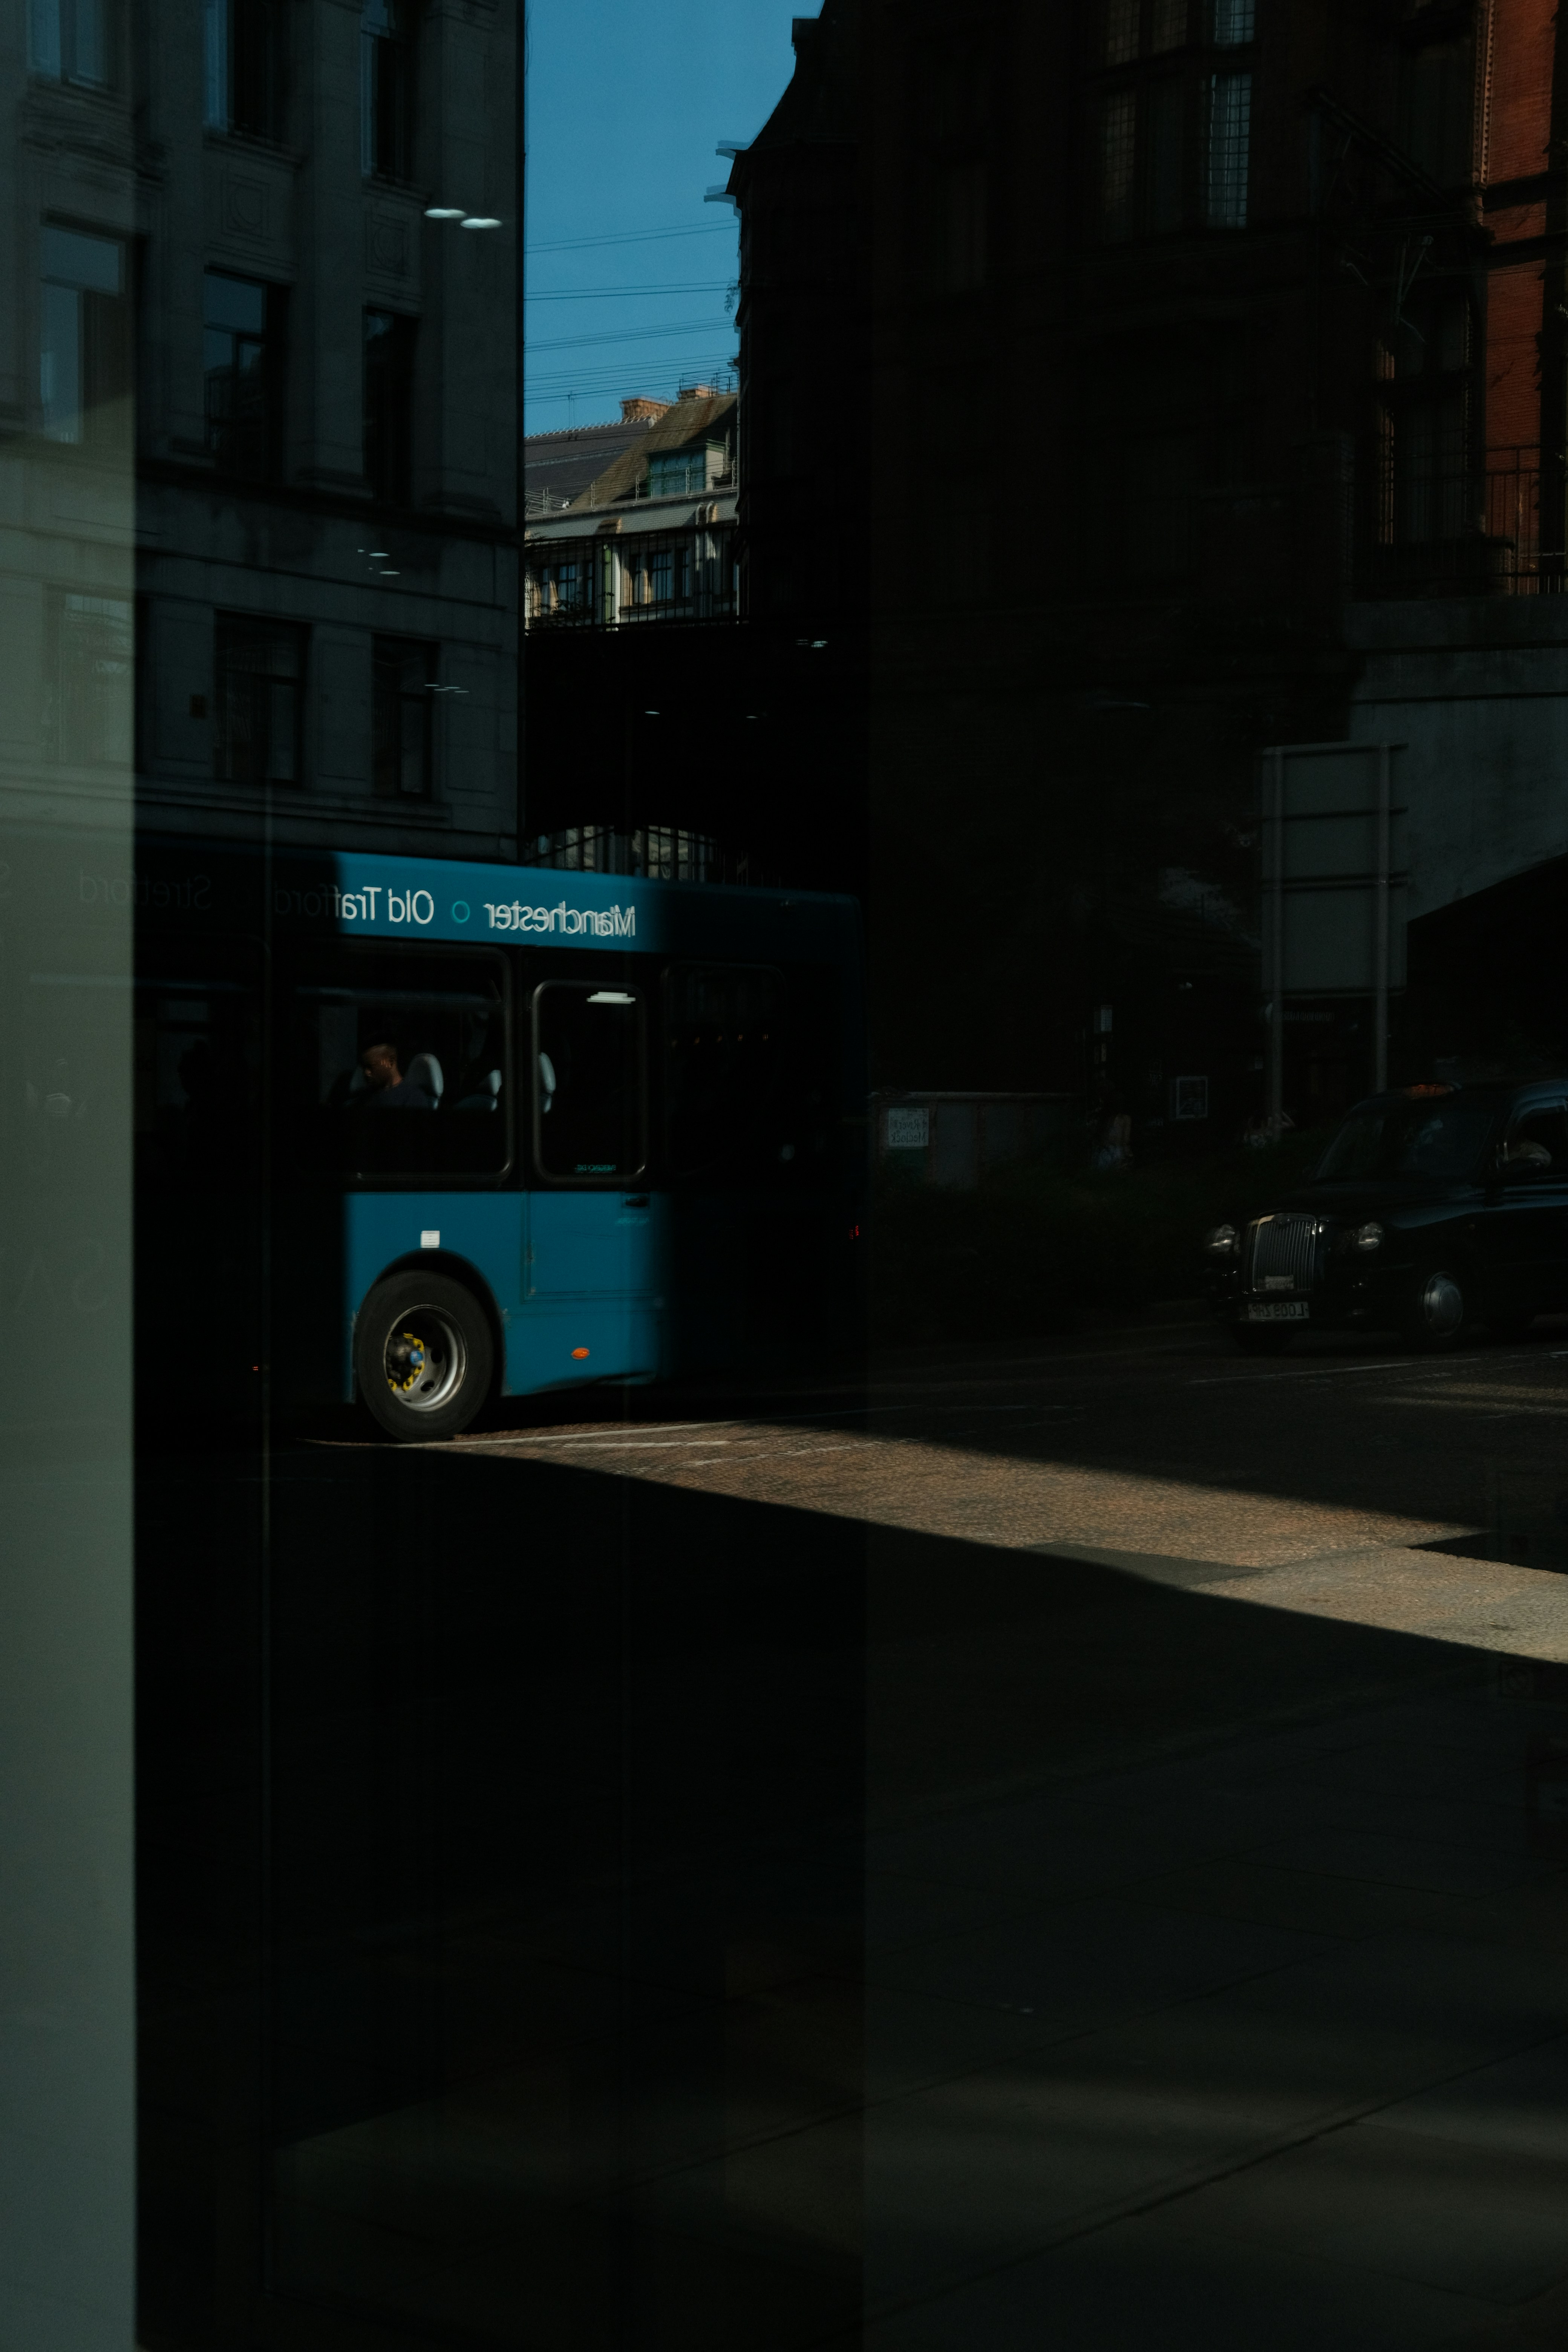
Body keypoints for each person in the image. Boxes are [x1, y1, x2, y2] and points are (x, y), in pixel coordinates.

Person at [358, 1041, 435, 1110]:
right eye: (364, 1068)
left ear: (390, 1062)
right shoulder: (367, 1096)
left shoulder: (413, 1097)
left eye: (371, 1067)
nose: (367, 1073)